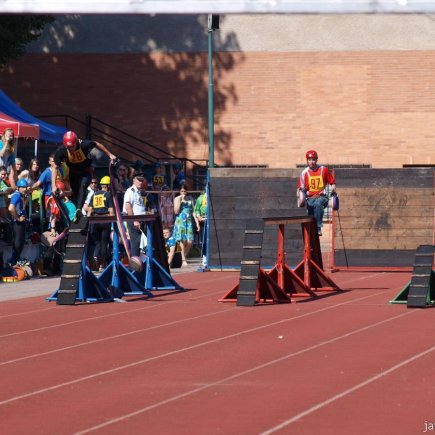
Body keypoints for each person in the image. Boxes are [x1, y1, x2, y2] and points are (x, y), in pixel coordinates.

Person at [52, 131, 116, 212]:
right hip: (73, 173)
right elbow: (54, 167)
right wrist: (54, 186)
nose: (70, 149)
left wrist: (110, 154)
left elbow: (96, 144)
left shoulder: (84, 144)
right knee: (75, 193)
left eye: (72, 146)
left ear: (76, 143)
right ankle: (77, 212)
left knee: (82, 186)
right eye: (68, 147)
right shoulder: (62, 151)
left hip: (86, 171)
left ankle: (78, 210)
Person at [297, 149, 336, 236]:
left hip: (322, 197)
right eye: (310, 160)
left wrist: (333, 189)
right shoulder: (304, 173)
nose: (312, 162)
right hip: (310, 199)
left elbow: (332, 182)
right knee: (311, 213)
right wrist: (300, 195)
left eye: (313, 159)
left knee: (318, 204)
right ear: (307, 161)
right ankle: (312, 232)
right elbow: (300, 188)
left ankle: (318, 228)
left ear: (316, 160)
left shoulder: (324, 170)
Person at [87, 175, 115, 271]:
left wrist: (88, 222)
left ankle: (95, 258)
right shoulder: (108, 195)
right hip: (105, 221)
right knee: (104, 243)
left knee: (97, 243)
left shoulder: (94, 195)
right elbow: (111, 211)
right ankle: (102, 265)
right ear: (107, 186)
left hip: (95, 221)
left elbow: (89, 210)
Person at [122, 172, 149, 257]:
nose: (141, 182)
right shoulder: (131, 191)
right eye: (139, 180)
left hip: (140, 220)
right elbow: (128, 206)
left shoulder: (138, 192)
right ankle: (134, 267)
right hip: (134, 220)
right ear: (134, 181)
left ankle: (140, 265)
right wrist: (134, 220)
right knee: (136, 244)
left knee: (142, 244)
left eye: (142, 180)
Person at [8, 178, 29, 265]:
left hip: (21, 223)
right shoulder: (16, 195)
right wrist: (18, 218)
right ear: (18, 188)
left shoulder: (21, 196)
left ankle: (15, 262)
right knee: (18, 244)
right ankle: (12, 263)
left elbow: (21, 208)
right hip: (17, 223)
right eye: (22, 187)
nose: (25, 189)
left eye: (26, 187)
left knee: (20, 244)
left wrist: (25, 200)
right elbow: (11, 208)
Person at [172, 184, 195, 266]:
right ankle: (183, 259)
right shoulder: (177, 198)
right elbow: (176, 212)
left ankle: (183, 256)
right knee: (182, 240)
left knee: (190, 241)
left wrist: (196, 223)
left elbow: (193, 211)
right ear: (179, 191)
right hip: (180, 220)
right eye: (182, 191)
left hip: (188, 221)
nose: (183, 192)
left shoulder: (190, 198)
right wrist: (180, 202)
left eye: (185, 191)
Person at [193, 190, 207, 266]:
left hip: (211, 220)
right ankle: (204, 257)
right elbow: (196, 209)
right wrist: (198, 216)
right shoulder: (200, 198)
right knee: (204, 239)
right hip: (204, 221)